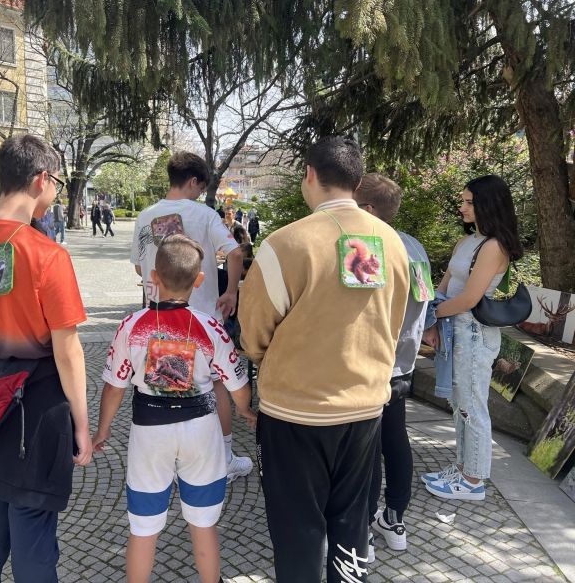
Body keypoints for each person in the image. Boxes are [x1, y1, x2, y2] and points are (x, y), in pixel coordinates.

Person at [239, 137, 409, 583]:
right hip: (365, 406)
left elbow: (253, 332)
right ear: (358, 182)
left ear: (310, 174)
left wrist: (270, 359)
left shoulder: (286, 243)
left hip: (296, 409)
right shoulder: (392, 243)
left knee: (297, 526)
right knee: (352, 521)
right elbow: (395, 319)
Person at [0, 134, 91, 582]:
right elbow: (68, 351)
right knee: (33, 527)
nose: (56, 192)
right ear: (41, 179)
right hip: (39, 408)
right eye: (57, 183)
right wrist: (82, 425)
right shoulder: (47, 255)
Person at [94, 234, 256, 583]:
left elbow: (113, 386)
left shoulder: (131, 326)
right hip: (201, 431)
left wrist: (102, 430)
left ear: (153, 276)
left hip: (149, 431)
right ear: (199, 280)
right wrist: (246, 411)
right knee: (203, 523)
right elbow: (237, 385)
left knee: (143, 526)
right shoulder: (210, 328)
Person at [131, 151, 253, 482]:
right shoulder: (204, 214)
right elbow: (235, 252)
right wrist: (231, 292)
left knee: (166, 383)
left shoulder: (145, 216)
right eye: (201, 187)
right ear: (194, 181)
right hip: (201, 316)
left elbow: (140, 267)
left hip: (158, 317)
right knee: (216, 384)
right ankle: (224, 458)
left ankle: (171, 462)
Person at [421, 175, 522, 501]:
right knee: (459, 403)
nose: (462, 207)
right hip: (453, 330)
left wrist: (434, 316)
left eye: (469, 202)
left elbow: (469, 298)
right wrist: (431, 320)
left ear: (487, 205)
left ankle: (473, 480)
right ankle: (463, 467)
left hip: (474, 334)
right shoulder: (466, 242)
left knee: (472, 405)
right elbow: (444, 286)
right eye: (463, 201)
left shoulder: (494, 246)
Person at [354, 173, 431, 556]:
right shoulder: (414, 247)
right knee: (396, 440)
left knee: (366, 448)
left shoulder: (367, 248)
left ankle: (364, 528)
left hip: (369, 365)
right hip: (403, 365)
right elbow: (426, 304)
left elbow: (358, 311)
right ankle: (394, 518)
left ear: (367, 209)